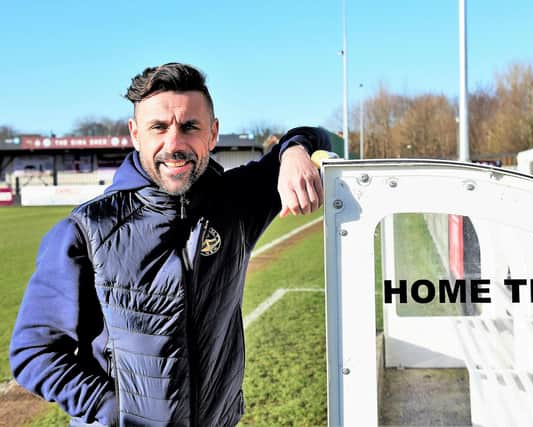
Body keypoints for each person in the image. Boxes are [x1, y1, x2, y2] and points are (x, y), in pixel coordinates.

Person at [9, 62, 331, 426]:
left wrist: (293, 153)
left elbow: (319, 134)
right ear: (136, 133)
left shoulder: (236, 204)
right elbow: (34, 353)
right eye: (158, 127)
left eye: (190, 126)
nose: (174, 144)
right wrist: (114, 411)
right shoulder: (87, 229)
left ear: (213, 133)